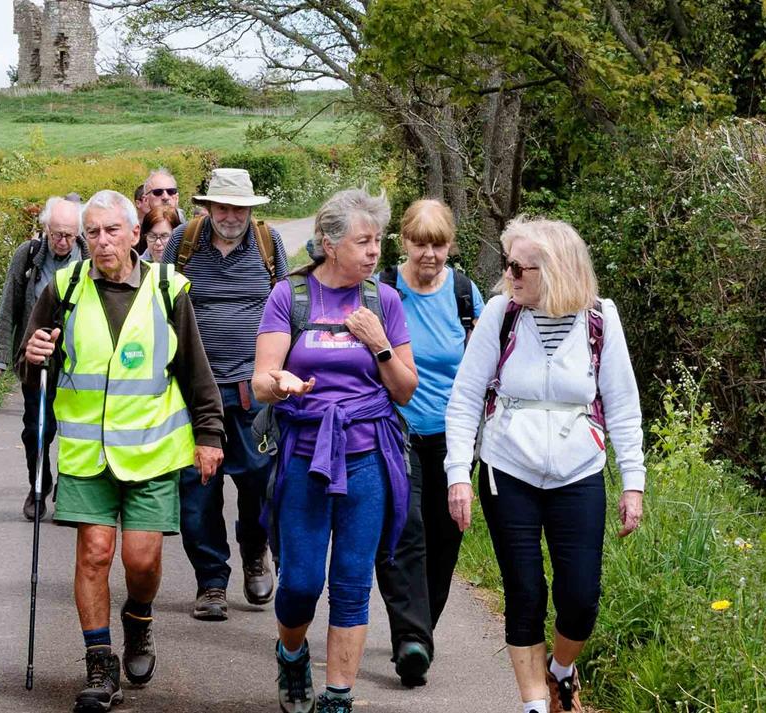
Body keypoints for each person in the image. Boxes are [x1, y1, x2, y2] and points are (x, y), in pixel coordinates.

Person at [19, 189, 225, 713]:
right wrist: (34, 357)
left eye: (112, 230)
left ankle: (138, 618)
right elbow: (35, 374)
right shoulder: (62, 289)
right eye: (93, 232)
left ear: (136, 234)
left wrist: (209, 436)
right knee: (94, 553)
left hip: (152, 452)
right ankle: (99, 662)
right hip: (88, 456)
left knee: (141, 558)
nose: (102, 241)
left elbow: (195, 372)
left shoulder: (167, 289)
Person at [444, 217, 646, 713]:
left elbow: (621, 403)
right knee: (525, 591)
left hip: (579, 471)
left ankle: (560, 672)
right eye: (508, 264)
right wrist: (457, 475)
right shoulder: (500, 314)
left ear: (554, 271)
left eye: (519, 267)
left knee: (580, 598)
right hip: (506, 469)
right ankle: (536, 705)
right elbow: (465, 398)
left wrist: (633, 482)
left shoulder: (601, 318)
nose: (508, 275)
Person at [252, 189, 418, 713]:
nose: (374, 251)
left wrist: (379, 344)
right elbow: (260, 381)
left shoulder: (382, 301)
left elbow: (405, 387)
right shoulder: (290, 295)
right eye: (363, 241)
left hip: (368, 455)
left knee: (352, 581)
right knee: (300, 582)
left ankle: (339, 696)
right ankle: (292, 652)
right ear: (327, 243)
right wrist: (282, 384)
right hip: (304, 453)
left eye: (378, 241)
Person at [162, 167, 289, 621]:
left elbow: (288, 309)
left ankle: (255, 550)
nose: (231, 215)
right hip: (195, 393)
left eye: (239, 208)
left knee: (260, 483)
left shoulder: (269, 243)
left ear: (250, 210)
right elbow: (162, 302)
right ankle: (211, 582)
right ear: (208, 207)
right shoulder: (184, 241)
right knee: (197, 492)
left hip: (252, 393)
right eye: (223, 207)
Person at [372, 199, 484, 687]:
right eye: (421, 244)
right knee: (405, 525)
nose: (430, 255)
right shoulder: (384, 291)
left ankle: (421, 632)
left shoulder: (464, 294)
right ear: (405, 242)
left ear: (450, 245)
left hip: (455, 434)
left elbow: (486, 363)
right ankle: (410, 638)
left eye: (439, 245)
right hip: (395, 427)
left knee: (445, 536)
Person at [0, 195, 88, 522]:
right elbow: (9, 306)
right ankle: (38, 485)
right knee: (36, 427)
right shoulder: (27, 256)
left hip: (79, 362)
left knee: (74, 428)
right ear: (45, 228)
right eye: (56, 233)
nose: (62, 241)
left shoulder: (90, 258)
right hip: (35, 357)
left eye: (69, 235)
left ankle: (69, 487)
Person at [134, 167, 185, 253]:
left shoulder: (192, 232)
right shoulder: (136, 236)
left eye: (171, 191)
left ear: (177, 197)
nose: (165, 197)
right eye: (157, 192)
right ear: (146, 199)